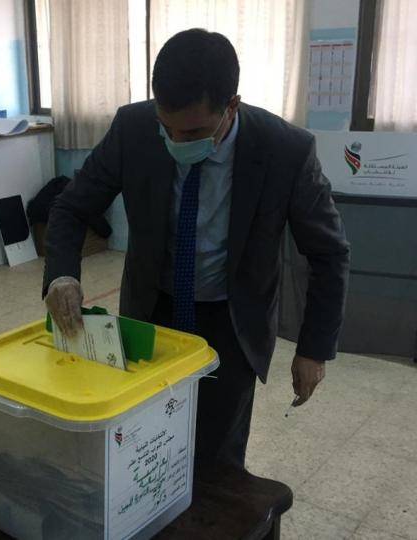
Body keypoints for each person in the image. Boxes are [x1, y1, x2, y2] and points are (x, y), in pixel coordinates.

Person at [43, 29, 350, 468]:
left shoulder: (285, 150)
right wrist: (62, 275)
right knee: (141, 448)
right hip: (152, 312)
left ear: (232, 106)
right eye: (167, 128)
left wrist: (314, 348)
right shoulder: (134, 127)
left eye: (194, 132)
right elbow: (71, 207)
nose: (177, 142)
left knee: (216, 459)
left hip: (231, 321)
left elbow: (329, 253)